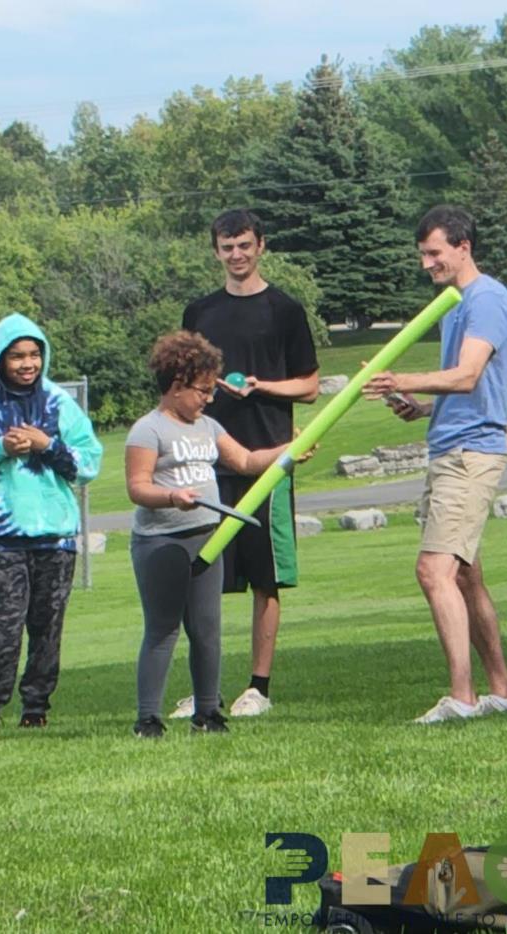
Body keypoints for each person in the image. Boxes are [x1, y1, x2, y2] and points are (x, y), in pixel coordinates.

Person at [362, 204, 507, 724]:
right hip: (451, 442)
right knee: (466, 577)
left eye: (433, 253)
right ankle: (502, 690)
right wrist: (423, 407)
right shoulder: (456, 304)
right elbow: (468, 388)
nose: (426, 264)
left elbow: (469, 375)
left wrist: (400, 380)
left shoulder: (487, 300)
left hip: (470, 453)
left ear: (462, 247)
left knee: (434, 571)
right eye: (423, 255)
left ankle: (462, 698)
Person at [178, 208, 319, 719]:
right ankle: (203, 687)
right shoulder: (199, 312)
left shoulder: (284, 310)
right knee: (202, 575)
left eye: (244, 245)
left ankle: (257, 688)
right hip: (205, 461)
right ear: (215, 250)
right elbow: (181, 380)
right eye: (226, 246)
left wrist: (262, 386)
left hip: (268, 460)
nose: (236, 255)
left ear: (261, 246)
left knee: (266, 578)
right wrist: (204, 389)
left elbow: (309, 386)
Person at [127, 332, 301, 738]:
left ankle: (208, 712)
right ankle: (148, 717)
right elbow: (137, 487)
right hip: (161, 544)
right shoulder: (147, 431)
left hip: (208, 539)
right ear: (176, 387)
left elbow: (245, 460)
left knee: (207, 630)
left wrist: (289, 452)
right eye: (202, 390)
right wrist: (172, 496)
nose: (208, 398)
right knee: (163, 628)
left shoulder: (208, 426)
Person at [0, 313, 102, 730]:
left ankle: (36, 708)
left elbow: (89, 464)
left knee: (47, 628)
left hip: (56, 537)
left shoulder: (60, 403)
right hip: (2, 539)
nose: (27, 364)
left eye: (34, 355)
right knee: (5, 628)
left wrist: (47, 445)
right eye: (17, 356)